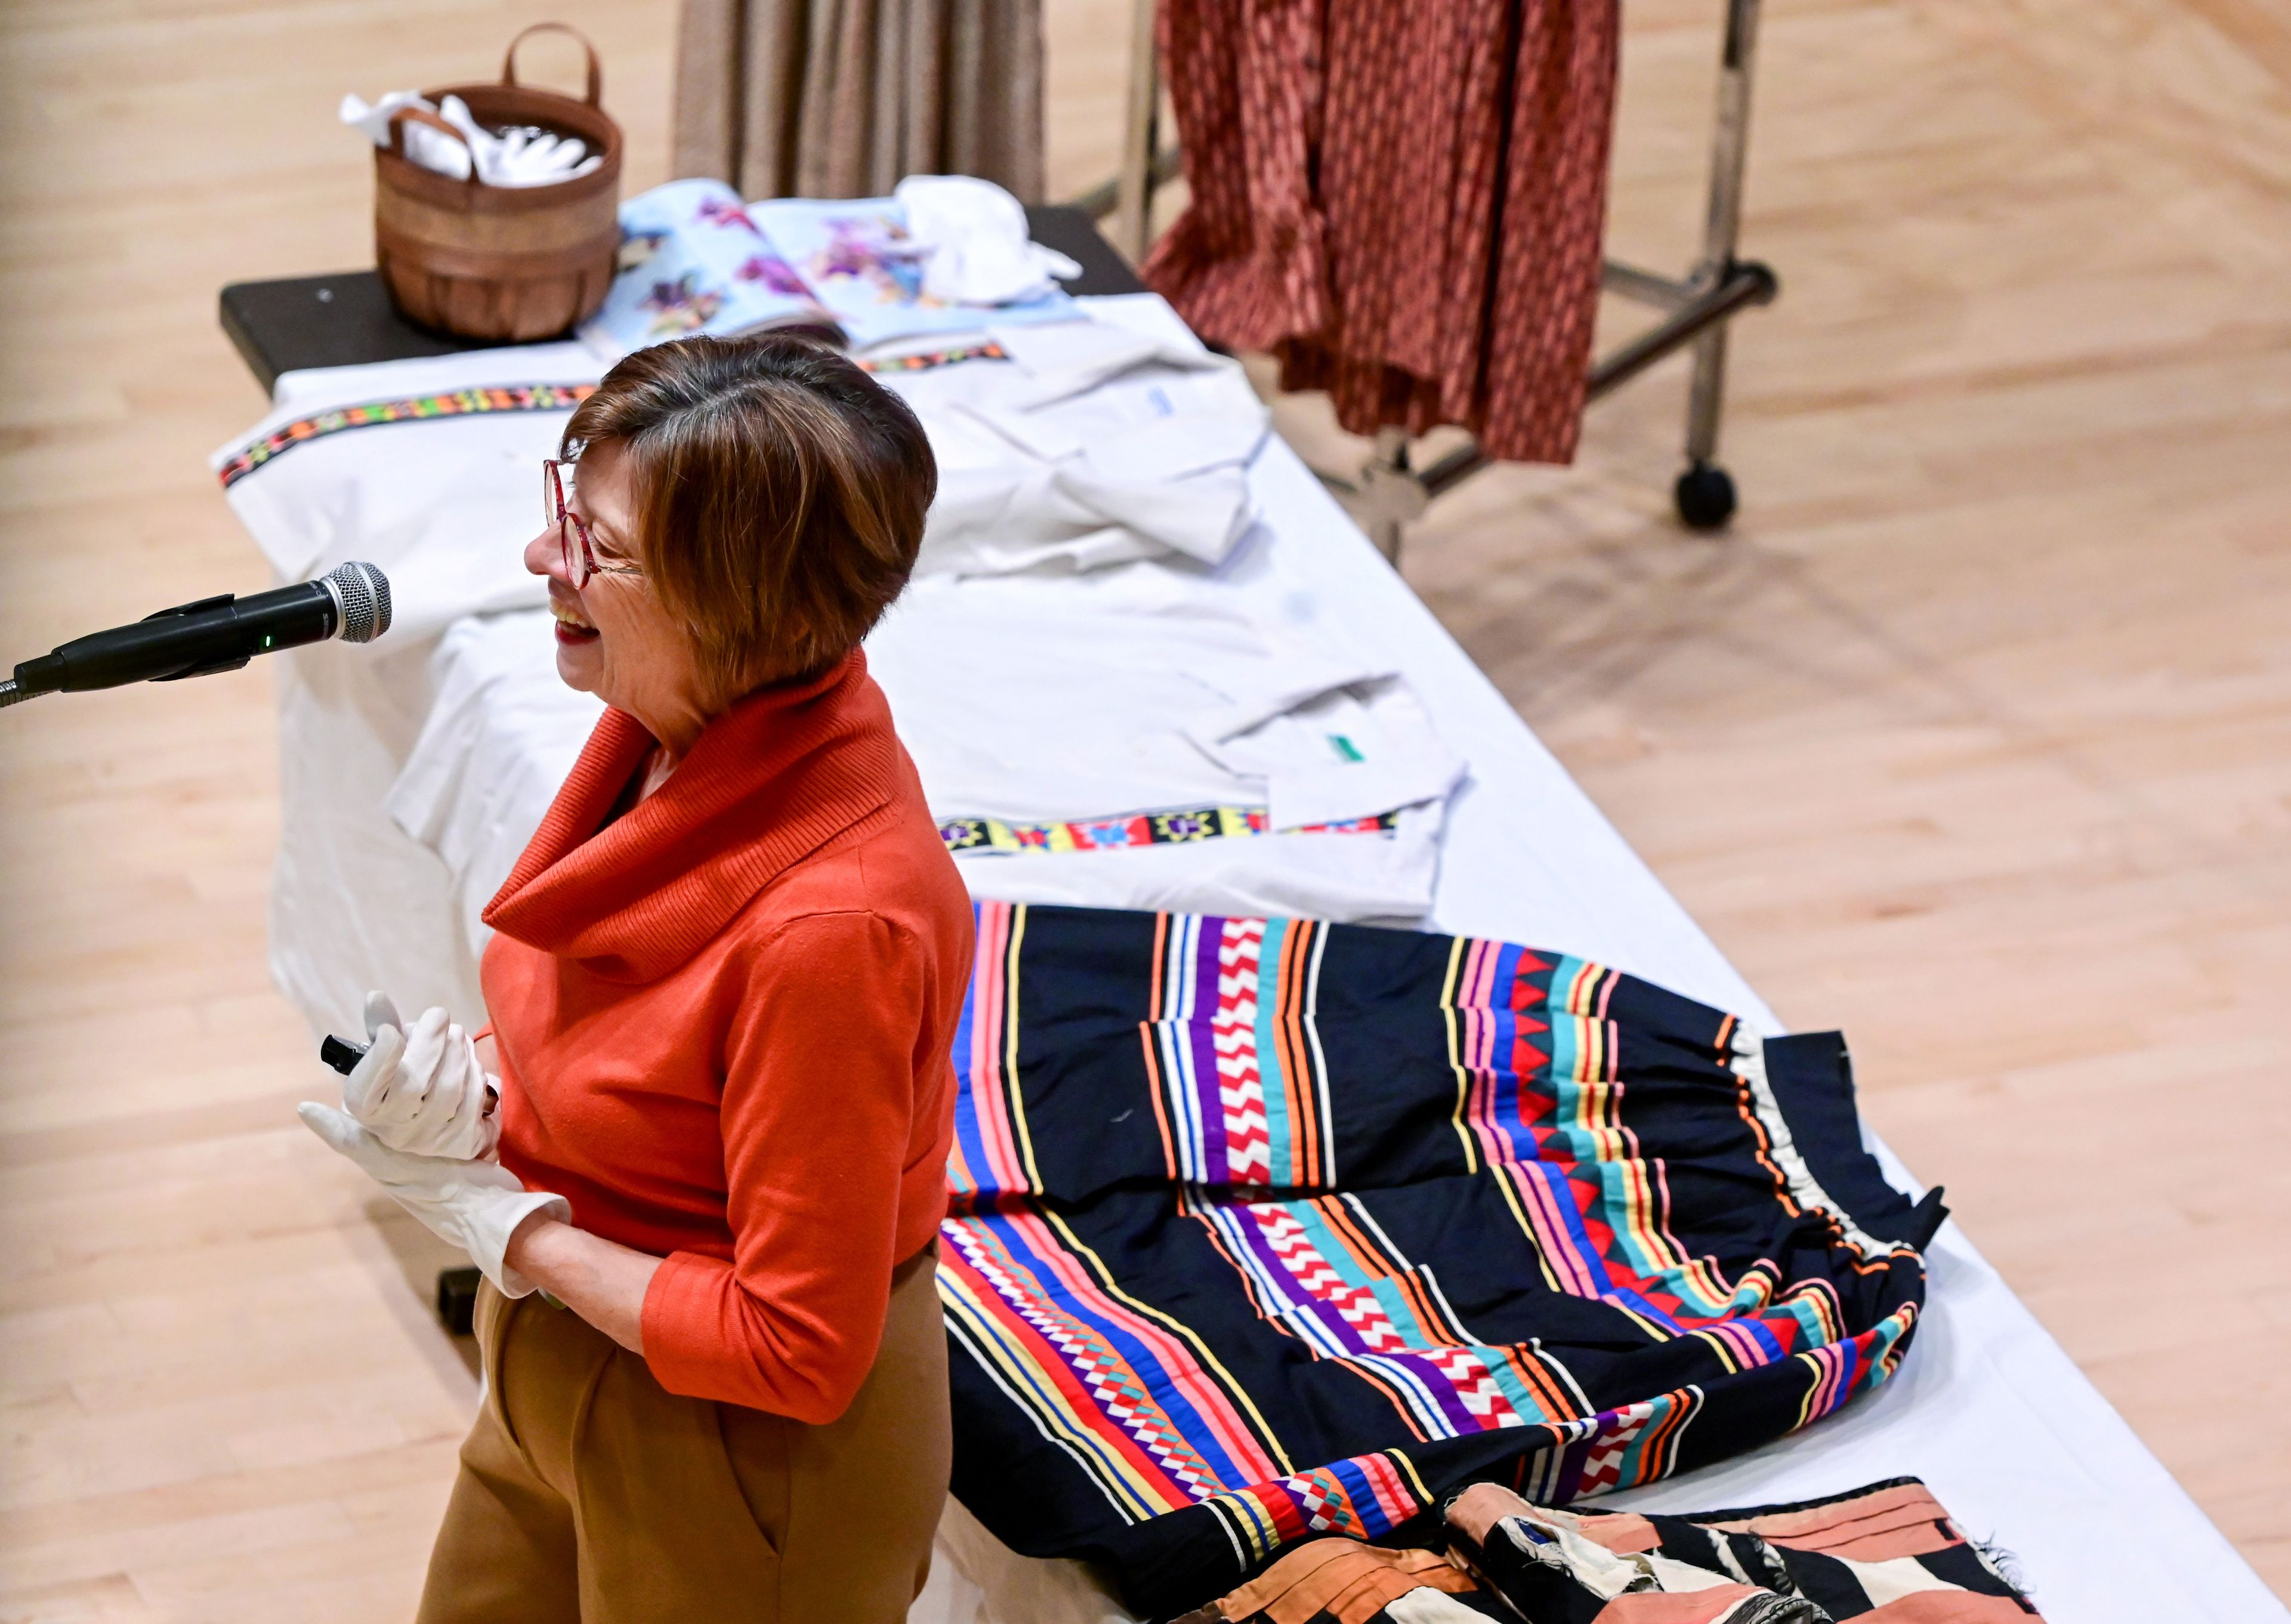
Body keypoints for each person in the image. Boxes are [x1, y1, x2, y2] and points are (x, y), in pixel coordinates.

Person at [298, 334, 972, 1623]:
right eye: (567, 511)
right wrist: (479, 1106)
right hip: (568, 1367)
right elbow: (654, 1053)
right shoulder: (673, 724)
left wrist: (515, 1227)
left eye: (600, 547)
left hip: (743, 1460)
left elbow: (796, 1347)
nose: (546, 560)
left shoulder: (836, 928)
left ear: (752, 609)